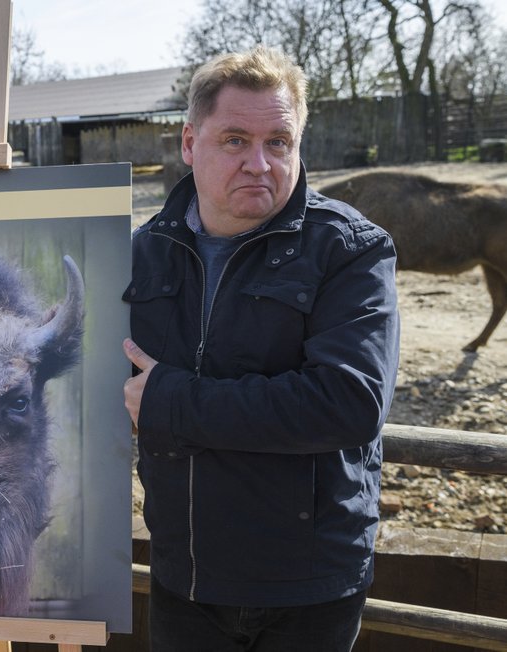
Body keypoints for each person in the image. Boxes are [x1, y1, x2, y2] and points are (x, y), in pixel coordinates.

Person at [122, 46, 400, 651]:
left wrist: (173, 403)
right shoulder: (144, 252)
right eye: (234, 141)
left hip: (306, 587)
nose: (259, 163)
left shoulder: (349, 250)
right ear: (190, 143)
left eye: (279, 142)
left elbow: (349, 402)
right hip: (185, 574)